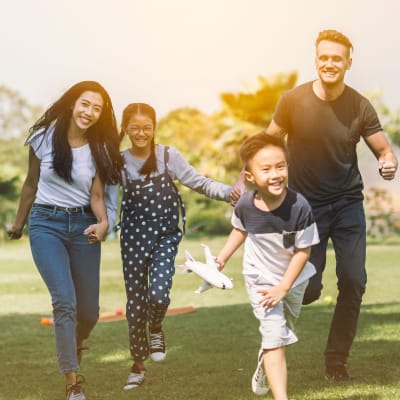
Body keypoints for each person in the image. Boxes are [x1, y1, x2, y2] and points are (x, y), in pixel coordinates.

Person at [264, 29, 398, 380]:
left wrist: (388, 161)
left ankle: (336, 362)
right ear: (316, 59)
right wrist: (247, 179)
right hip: (305, 210)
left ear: (348, 62)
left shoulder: (359, 105)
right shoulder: (293, 100)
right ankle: (299, 302)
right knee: (306, 290)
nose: (329, 64)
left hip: (347, 204)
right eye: (324, 57)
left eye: (337, 58)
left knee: (354, 280)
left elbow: (383, 149)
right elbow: (268, 140)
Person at [7, 81, 122, 400]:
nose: (89, 112)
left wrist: (103, 223)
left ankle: (74, 345)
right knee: (64, 300)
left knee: (89, 313)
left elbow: (97, 195)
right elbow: (30, 185)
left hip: (83, 227)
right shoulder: (43, 138)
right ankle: (73, 384)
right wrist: (18, 224)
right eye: (85, 104)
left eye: (97, 108)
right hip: (46, 224)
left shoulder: (99, 149)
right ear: (73, 103)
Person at [111, 102, 237, 390]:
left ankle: (156, 327)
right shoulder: (118, 161)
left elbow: (199, 182)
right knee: (135, 303)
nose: (141, 133)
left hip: (166, 235)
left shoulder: (168, 155)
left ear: (154, 128)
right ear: (126, 129)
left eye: (147, 128)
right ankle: (138, 366)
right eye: (134, 128)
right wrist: (102, 222)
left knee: (158, 294)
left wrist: (230, 192)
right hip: (132, 238)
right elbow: (107, 199)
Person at [216, 133, 319, 400]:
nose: (276, 174)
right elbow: (240, 231)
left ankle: (265, 361)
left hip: (293, 280)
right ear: (250, 176)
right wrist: (222, 258)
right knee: (275, 336)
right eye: (266, 169)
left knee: (283, 334)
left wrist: (284, 287)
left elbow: (303, 251)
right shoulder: (246, 205)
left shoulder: (300, 206)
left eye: (280, 166)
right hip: (259, 278)